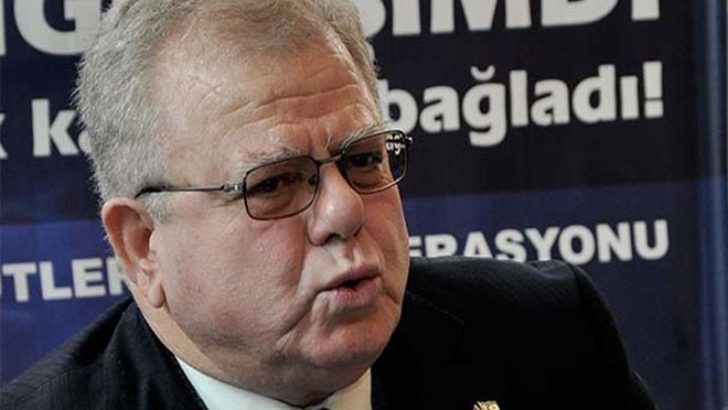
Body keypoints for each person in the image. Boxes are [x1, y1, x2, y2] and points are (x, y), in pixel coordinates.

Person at [0, 1, 656, 409]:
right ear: (143, 245)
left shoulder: (544, 338)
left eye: (364, 159)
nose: (345, 212)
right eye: (274, 183)